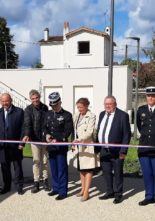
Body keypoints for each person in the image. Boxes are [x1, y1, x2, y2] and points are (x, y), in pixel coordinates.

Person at [97, 96, 131, 204]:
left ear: (115, 104)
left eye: (110, 104)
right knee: (106, 173)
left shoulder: (123, 115)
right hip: (104, 150)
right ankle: (109, 191)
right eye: (105, 104)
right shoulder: (102, 114)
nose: (107, 106)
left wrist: (123, 151)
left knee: (118, 174)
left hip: (117, 151)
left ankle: (118, 194)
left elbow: (127, 134)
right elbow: (99, 130)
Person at [43, 92, 74, 200]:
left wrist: (59, 139)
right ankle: (55, 188)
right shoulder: (48, 114)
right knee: (54, 169)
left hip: (60, 146)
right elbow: (45, 127)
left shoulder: (67, 115)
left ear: (60, 102)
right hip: (51, 145)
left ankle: (62, 191)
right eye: (52, 105)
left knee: (61, 169)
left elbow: (68, 131)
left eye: (55, 105)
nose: (54, 107)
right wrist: (46, 135)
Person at [22, 89, 49, 193]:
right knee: (36, 161)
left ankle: (46, 181)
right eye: (33, 98)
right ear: (30, 99)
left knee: (45, 161)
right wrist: (27, 135)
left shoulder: (45, 107)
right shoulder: (28, 109)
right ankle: (36, 183)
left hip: (44, 140)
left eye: (36, 98)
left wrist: (47, 135)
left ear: (39, 97)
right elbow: (27, 124)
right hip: (34, 140)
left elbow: (47, 123)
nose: (35, 100)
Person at [73, 98, 100, 201]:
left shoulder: (91, 116)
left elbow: (89, 132)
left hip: (87, 146)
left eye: (81, 107)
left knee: (88, 169)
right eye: (78, 107)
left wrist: (79, 139)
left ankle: (86, 192)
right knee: (81, 169)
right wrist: (74, 141)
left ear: (86, 106)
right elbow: (74, 130)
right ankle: (82, 189)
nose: (79, 109)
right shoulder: (76, 115)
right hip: (79, 146)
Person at [0, 93, 24, 195]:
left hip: (15, 145)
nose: (5, 103)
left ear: (11, 100)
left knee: (17, 166)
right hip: (2, 147)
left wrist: (22, 143)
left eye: (6, 101)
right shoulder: (0, 112)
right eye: (2, 101)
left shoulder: (19, 112)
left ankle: (19, 186)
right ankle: (7, 186)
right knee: (5, 167)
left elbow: (23, 128)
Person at [137, 86, 155, 206]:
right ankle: (149, 196)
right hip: (144, 148)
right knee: (147, 173)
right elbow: (140, 126)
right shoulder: (141, 110)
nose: (151, 98)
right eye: (149, 96)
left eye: (153, 96)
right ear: (146, 97)